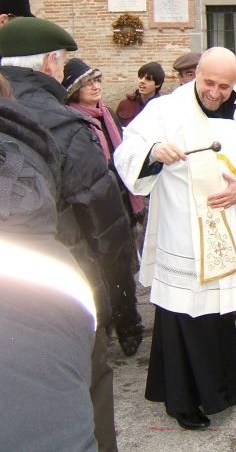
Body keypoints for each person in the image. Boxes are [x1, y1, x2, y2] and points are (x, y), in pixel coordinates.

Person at [0, 16, 142, 451]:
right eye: (62, 64)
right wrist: (123, 307)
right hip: (59, 286)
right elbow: (106, 224)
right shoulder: (61, 123)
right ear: (49, 63)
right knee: (86, 386)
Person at [113, 47, 236, 430]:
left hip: (221, 228)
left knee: (219, 314)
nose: (215, 92)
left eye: (224, 86)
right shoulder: (166, 110)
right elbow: (126, 149)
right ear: (196, 74)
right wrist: (153, 151)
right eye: (209, 82)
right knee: (183, 314)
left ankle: (223, 391)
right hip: (181, 231)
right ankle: (183, 401)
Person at [62, 57, 146, 355]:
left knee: (122, 268)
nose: (95, 86)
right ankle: (104, 327)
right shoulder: (70, 120)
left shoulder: (106, 114)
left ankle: (130, 327)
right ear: (73, 90)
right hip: (92, 206)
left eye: (97, 80)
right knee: (98, 270)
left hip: (119, 198)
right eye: (87, 82)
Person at [116, 61, 165, 126]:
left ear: (158, 84)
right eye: (140, 77)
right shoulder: (125, 104)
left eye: (148, 79)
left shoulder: (163, 107)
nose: (142, 81)